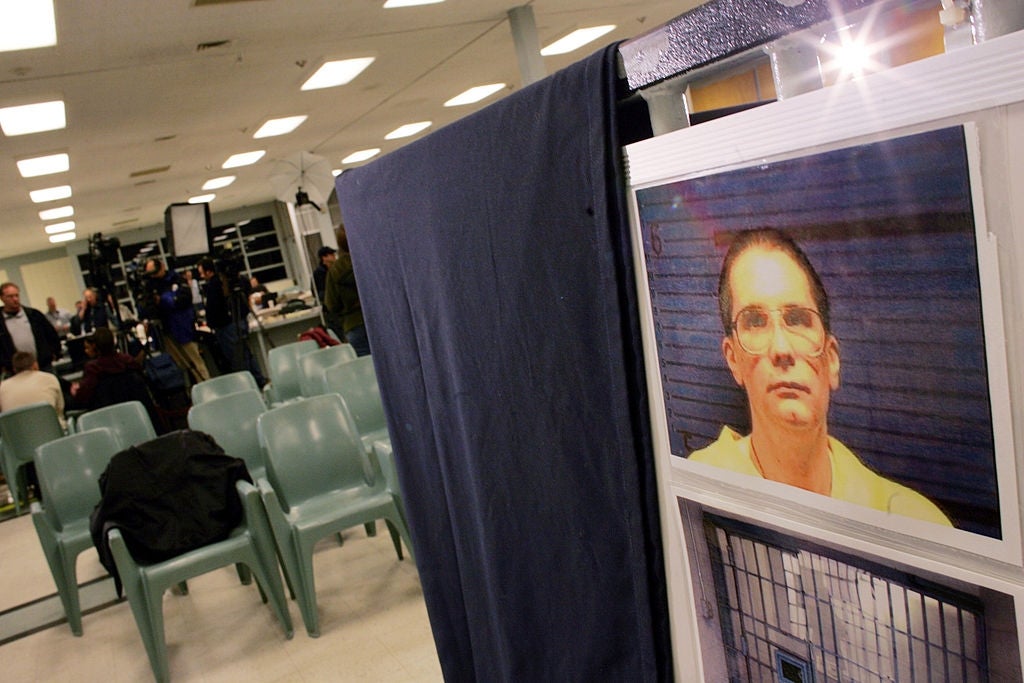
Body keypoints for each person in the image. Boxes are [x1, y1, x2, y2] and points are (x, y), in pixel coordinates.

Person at [689, 227, 952, 526]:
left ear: (832, 360)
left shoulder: (915, 524)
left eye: (798, 318)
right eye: (755, 322)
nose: (781, 348)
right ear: (733, 358)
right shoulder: (695, 495)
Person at [197, 258, 266, 386]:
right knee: (246, 354)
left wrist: (211, 324)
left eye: (202, 273)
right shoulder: (238, 281)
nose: (201, 276)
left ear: (210, 272)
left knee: (238, 359)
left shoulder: (216, 285)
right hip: (240, 321)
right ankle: (259, 380)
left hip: (227, 326)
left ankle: (248, 385)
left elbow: (214, 307)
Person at [143, 258, 210, 384]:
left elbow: (184, 299)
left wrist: (164, 300)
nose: (153, 275)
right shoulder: (151, 286)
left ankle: (206, 386)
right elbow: (149, 309)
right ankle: (190, 392)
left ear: (162, 267)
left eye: (154, 271)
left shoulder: (176, 279)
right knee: (180, 367)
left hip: (183, 328)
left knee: (196, 361)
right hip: (167, 331)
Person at [68, 327, 154, 417]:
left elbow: (83, 396)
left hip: (108, 416)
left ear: (95, 346)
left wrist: (76, 391)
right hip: (139, 413)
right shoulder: (128, 361)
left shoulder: (93, 369)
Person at [324, 226, 370, 356]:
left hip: (353, 324)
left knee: (366, 369)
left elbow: (331, 304)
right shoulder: (368, 261)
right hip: (377, 320)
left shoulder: (334, 271)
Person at [0, 282, 61, 375]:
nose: (15, 299)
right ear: (2, 298)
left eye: (17, 295)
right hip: (14, 371)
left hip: (43, 366)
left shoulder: (34, 315)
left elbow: (52, 335)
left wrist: (54, 353)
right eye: (10, 296)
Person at [0, 351, 66, 429]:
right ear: (35, 365)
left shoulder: (2, 387)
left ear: (14, 369)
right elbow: (60, 409)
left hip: (18, 438)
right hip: (53, 432)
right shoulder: (49, 378)